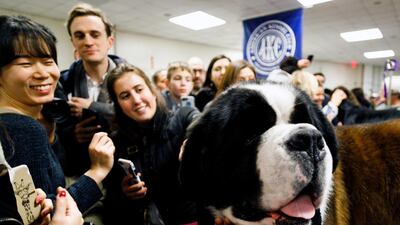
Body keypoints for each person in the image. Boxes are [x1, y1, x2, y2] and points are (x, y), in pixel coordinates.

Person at [0, 15, 115, 215]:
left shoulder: (31, 122)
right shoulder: (22, 128)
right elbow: (50, 214)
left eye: (47, 61)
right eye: (26, 64)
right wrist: (98, 170)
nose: (43, 73)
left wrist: (51, 134)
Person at [103, 63, 199, 225]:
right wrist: (125, 192)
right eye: (125, 96)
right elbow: (111, 202)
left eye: (139, 90)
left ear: (152, 91)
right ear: (118, 104)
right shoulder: (116, 142)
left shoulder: (183, 117)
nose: (137, 100)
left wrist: (193, 141)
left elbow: (198, 123)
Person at [56, 3, 124, 176]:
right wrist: (72, 134)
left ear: (110, 41)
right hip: (82, 170)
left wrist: (91, 106)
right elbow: (53, 129)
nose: (88, 42)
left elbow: (142, 117)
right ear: (73, 42)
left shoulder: (130, 79)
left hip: (123, 165)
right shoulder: (62, 82)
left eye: (95, 34)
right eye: (80, 36)